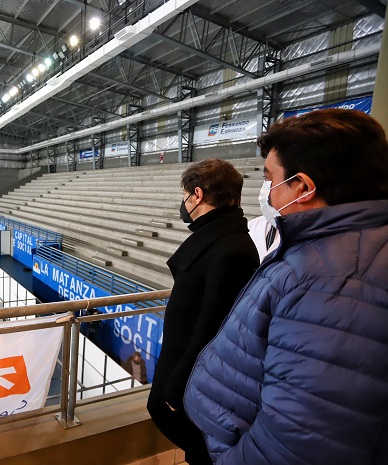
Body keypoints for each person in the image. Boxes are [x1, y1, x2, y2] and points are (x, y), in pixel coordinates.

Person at [184, 109, 388, 465]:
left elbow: (299, 442)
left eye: (271, 179)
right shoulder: (337, 251)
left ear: (304, 187)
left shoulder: (333, 281)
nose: (269, 193)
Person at [147, 158, 259, 465]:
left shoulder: (232, 249)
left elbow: (213, 328)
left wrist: (177, 386)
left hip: (191, 375)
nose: (183, 204)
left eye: (185, 196)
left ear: (197, 195)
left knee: (201, 446)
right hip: (181, 363)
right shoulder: (219, 236)